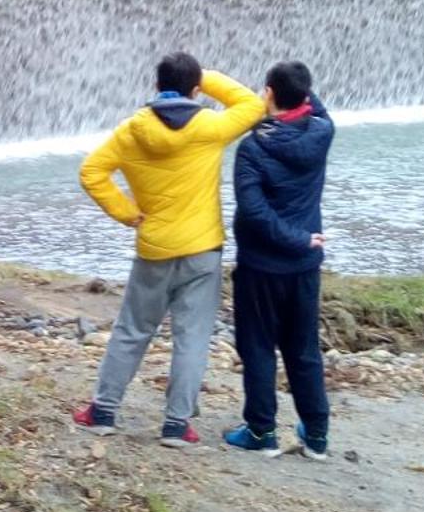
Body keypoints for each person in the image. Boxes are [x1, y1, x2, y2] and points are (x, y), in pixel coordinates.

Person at [72, 52, 266, 448]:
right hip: (202, 248)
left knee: (132, 330)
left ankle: (103, 411)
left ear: (156, 87)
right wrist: (206, 77)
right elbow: (252, 104)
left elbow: (91, 172)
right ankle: (177, 425)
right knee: (192, 337)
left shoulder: (131, 130)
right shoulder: (210, 126)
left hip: (154, 246)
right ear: (195, 90)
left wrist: (127, 213)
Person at [223, 60, 335, 460]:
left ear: (268, 93)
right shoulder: (322, 130)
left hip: (262, 265)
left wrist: (297, 239)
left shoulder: (252, 148)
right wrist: (305, 242)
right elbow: (312, 103)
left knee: (257, 346)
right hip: (304, 266)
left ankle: (260, 431)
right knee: (303, 349)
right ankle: (317, 435)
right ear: (306, 96)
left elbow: (254, 212)